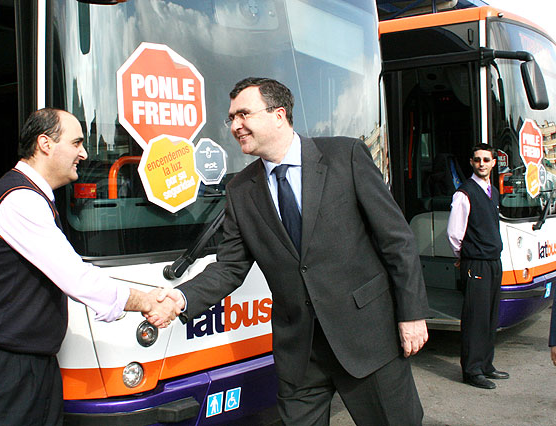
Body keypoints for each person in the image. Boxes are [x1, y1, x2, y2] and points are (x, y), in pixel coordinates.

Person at [155, 77, 430, 425]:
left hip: (366, 338)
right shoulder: (240, 190)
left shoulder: (344, 156)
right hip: (299, 353)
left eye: (243, 114)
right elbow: (230, 268)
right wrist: (180, 299)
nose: (235, 125)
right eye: (231, 118)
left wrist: (412, 314)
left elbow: (397, 240)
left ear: (278, 114)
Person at [0, 108, 179, 425]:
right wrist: (147, 301)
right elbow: (77, 279)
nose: (84, 153)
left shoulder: (32, 197)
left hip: (20, 367)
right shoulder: (19, 200)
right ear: (45, 144)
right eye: (77, 142)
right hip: (4, 375)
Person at [447, 143, 509, 389]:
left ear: (494, 162)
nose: (481, 163)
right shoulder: (464, 193)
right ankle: (472, 371)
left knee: (490, 316)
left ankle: (486, 365)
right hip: (476, 264)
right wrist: (464, 256)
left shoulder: (492, 190)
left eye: (486, 159)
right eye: (477, 160)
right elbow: (454, 233)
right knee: (475, 318)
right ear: (471, 163)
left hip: (493, 261)